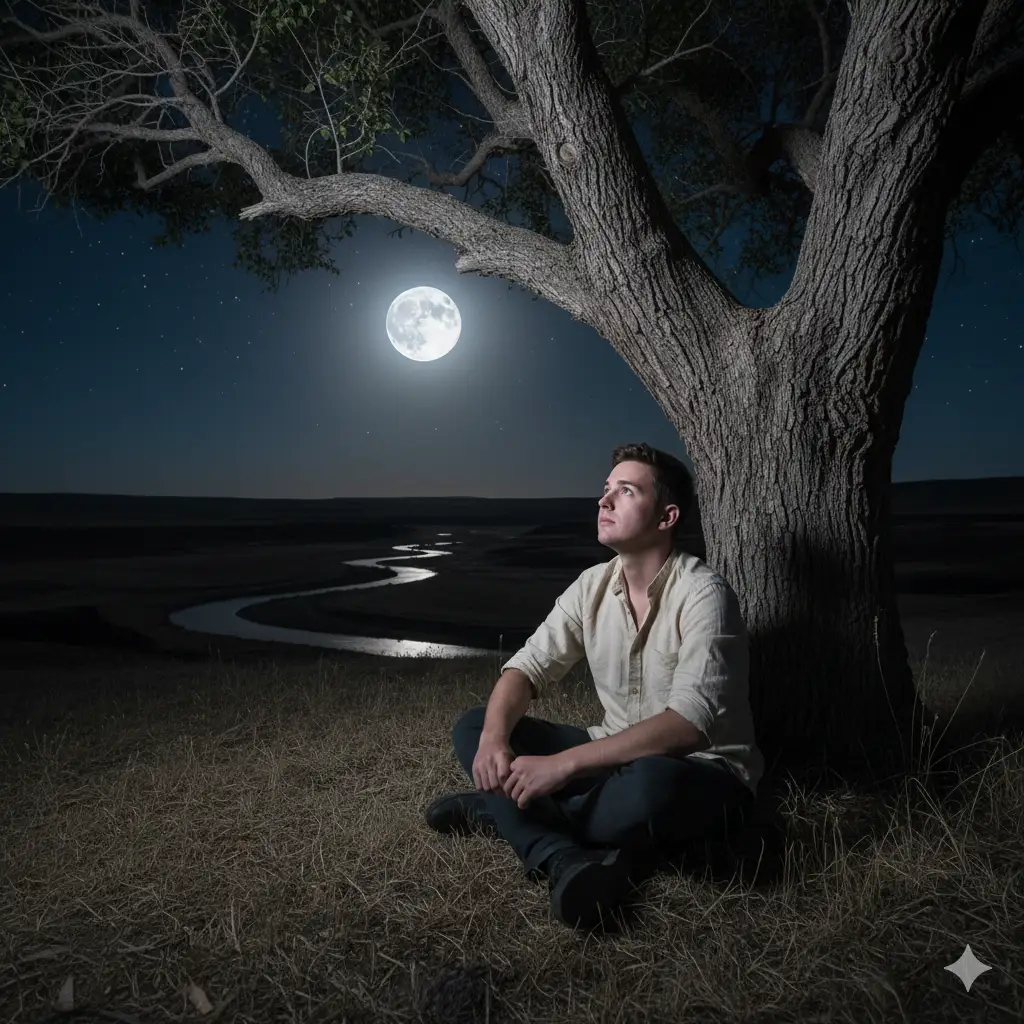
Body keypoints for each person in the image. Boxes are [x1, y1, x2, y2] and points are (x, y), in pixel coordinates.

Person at [424, 442, 763, 929]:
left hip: (698, 772)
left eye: (625, 491)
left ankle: (505, 814)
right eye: (606, 490)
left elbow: (690, 726)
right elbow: (524, 670)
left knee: (650, 789)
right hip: (611, 754)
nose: (603, 502)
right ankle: (562, 855)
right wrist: (496, 739)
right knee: (476, 726)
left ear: (666, 517)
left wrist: (561, 766)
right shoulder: (591, 586)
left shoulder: (704, 593)